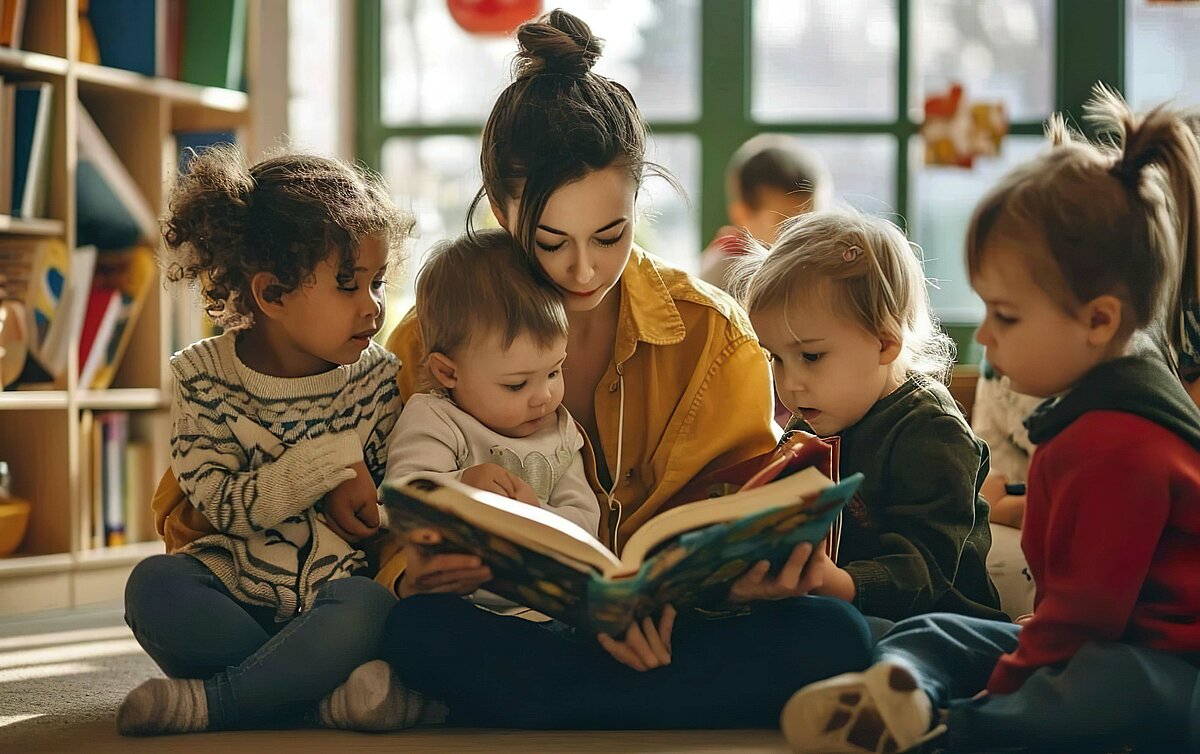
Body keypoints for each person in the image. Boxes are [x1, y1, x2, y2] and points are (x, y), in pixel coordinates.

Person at [322, 9, 873, 732]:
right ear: (499, 208)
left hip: (674, 631)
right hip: (515, 623)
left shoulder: (714, 336)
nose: (583, 270)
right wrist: (413, 569)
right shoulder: (435, 337)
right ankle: (635, 707)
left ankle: (558, 703)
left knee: (836, 637)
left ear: (637, 201)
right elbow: (384, 521)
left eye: (610, 235)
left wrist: (705, 588)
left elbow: (734, 514)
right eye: (550, 241)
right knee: (417, 631)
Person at [781, 87, 1200, 754]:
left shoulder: (1118, 443)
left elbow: (1086, 623)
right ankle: (902, 688)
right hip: (1087, 639)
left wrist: (1002, 682)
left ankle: (954, 731)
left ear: (1098, 321)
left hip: (1164, 667)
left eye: (1005, 316)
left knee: (1099, 685)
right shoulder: (1087, 416)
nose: (989, 341)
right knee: (940, 633)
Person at [118, 147, 410, 735]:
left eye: (377, 282)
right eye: (348, 285)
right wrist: (331, 461)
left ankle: (220, 703)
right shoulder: (202, 378)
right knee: (154, 586)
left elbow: (388, 507)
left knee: (372, 607)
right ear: (272, 294)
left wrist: (375, 499)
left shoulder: (380, 379)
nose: (373, 306)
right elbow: (225, 506)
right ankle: (310, 697)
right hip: (235, 595)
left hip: (334, 605)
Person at [735, 208, 1004, 628]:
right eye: (776, 358)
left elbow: (924, 566)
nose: (790, 383)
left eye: (810, 356)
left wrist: (839, 583)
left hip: (942, 627)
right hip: (845, 612)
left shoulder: (932, 430)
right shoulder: (812, 417)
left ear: (884, 343)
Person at [384, 228, 600, 538]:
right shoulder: (435, 419)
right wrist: (462, 486)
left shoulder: (559, 434)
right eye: (516, 385)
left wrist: (538, 515)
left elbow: (587, 523)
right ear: (448, 373)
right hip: (454, 580)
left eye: (553, 372)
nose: (544, 397)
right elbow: (402, 497)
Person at [699, 134, 832, 293]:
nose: (801, 233)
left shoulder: (816, 264)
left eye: (811, 221)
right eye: (787, 224)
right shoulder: (722, 272)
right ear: (743, 216)